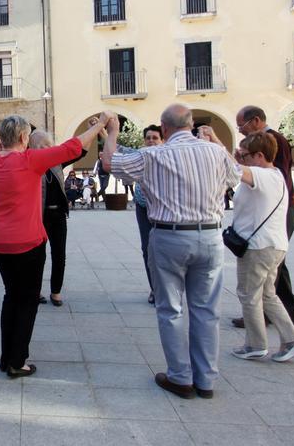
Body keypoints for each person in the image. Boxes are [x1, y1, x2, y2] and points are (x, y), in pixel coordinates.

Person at [103, 104, 241, 399]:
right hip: (211, 235)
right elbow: (236, 177)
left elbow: (109, 163)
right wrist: (215, 142)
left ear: (164, 129)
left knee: (171, 309)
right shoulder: (215, 153)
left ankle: (180, 376)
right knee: (206, 311)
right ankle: (205, 380)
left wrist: (112, 132)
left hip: (170, 235)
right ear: (191, 125)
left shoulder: (154, 155)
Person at [0, 115, 110, 378]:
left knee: (11, 296)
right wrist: (98, 126)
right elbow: (71, 146)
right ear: (24, 138)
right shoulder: (30, 160)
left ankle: (7, 357)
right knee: (26, 301)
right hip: (27, 243)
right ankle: (17, 361)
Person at [200, 128, 294, 363]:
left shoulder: (262, 176)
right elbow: (236, 166)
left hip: (259, 247)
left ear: (259, 155)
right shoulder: (275, 174)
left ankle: (255, 344)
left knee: (248, 295)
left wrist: (214, 140)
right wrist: (223, 145)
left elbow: (233, 168)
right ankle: (292, 339)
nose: (242, 157)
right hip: (273, 245)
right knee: (268, 294)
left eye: (245, 154)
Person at [232, 106, 294, 327]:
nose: (241, 131)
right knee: (274, 270)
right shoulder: (271, 142)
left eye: (241, 126)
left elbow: (271, 176)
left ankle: (263, 318)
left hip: (275, 218)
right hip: (280, 212)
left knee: (265, 278)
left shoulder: (271, 140)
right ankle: (288, 315)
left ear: (255, 121)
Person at [29, 129, 88, 307]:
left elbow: (80, 150)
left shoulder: (56, 162)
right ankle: (35, 291)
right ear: (33, 147)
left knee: (59, 254)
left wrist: (96, 128)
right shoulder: (29, 164)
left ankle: (56, 291)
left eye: (49, 144)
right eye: (43, 145)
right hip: (38, 216)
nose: (48, 148)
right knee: (37, 255)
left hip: (58, 215)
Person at [128, 125, 164, 304]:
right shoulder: (140, 156)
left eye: (155, 138)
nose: (151, 141)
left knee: (162, 249)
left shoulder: (166, 156)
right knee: (147, 248)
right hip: (142, 206)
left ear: (162, 140)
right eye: (148, 138)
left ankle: (166, 288)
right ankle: (155, 289)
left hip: (160, 207)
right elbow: (122, 152)